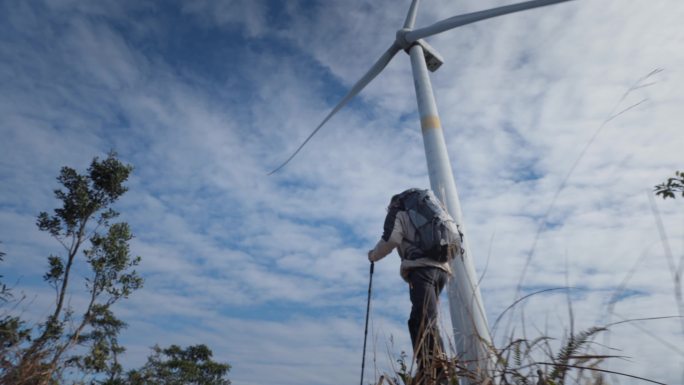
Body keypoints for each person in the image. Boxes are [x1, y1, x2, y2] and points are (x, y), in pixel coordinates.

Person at [368, 189, 454, 379]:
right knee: (425, 318)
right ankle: (437, 367)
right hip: (442, 270)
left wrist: (373, 256)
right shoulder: (429, 211)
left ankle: (434, 371)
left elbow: (391, 239)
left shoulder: (398, 211)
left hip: (421, 270)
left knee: (420, 320)